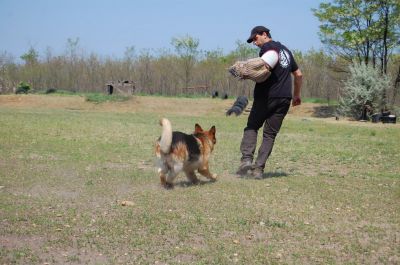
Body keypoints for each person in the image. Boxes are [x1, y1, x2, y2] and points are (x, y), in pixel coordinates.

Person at [236, 25, 303, 179]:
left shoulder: (268, 48)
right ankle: (258, 170)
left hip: (267, 96)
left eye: (255, 38)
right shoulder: (286, 50)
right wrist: (297, 95)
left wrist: (246, 71)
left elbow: (265, 65)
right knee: (270, 135)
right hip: (285, 98)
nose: (254, 42)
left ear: (264, 34)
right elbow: (298, 74)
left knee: (252, 126)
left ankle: (246, 160)